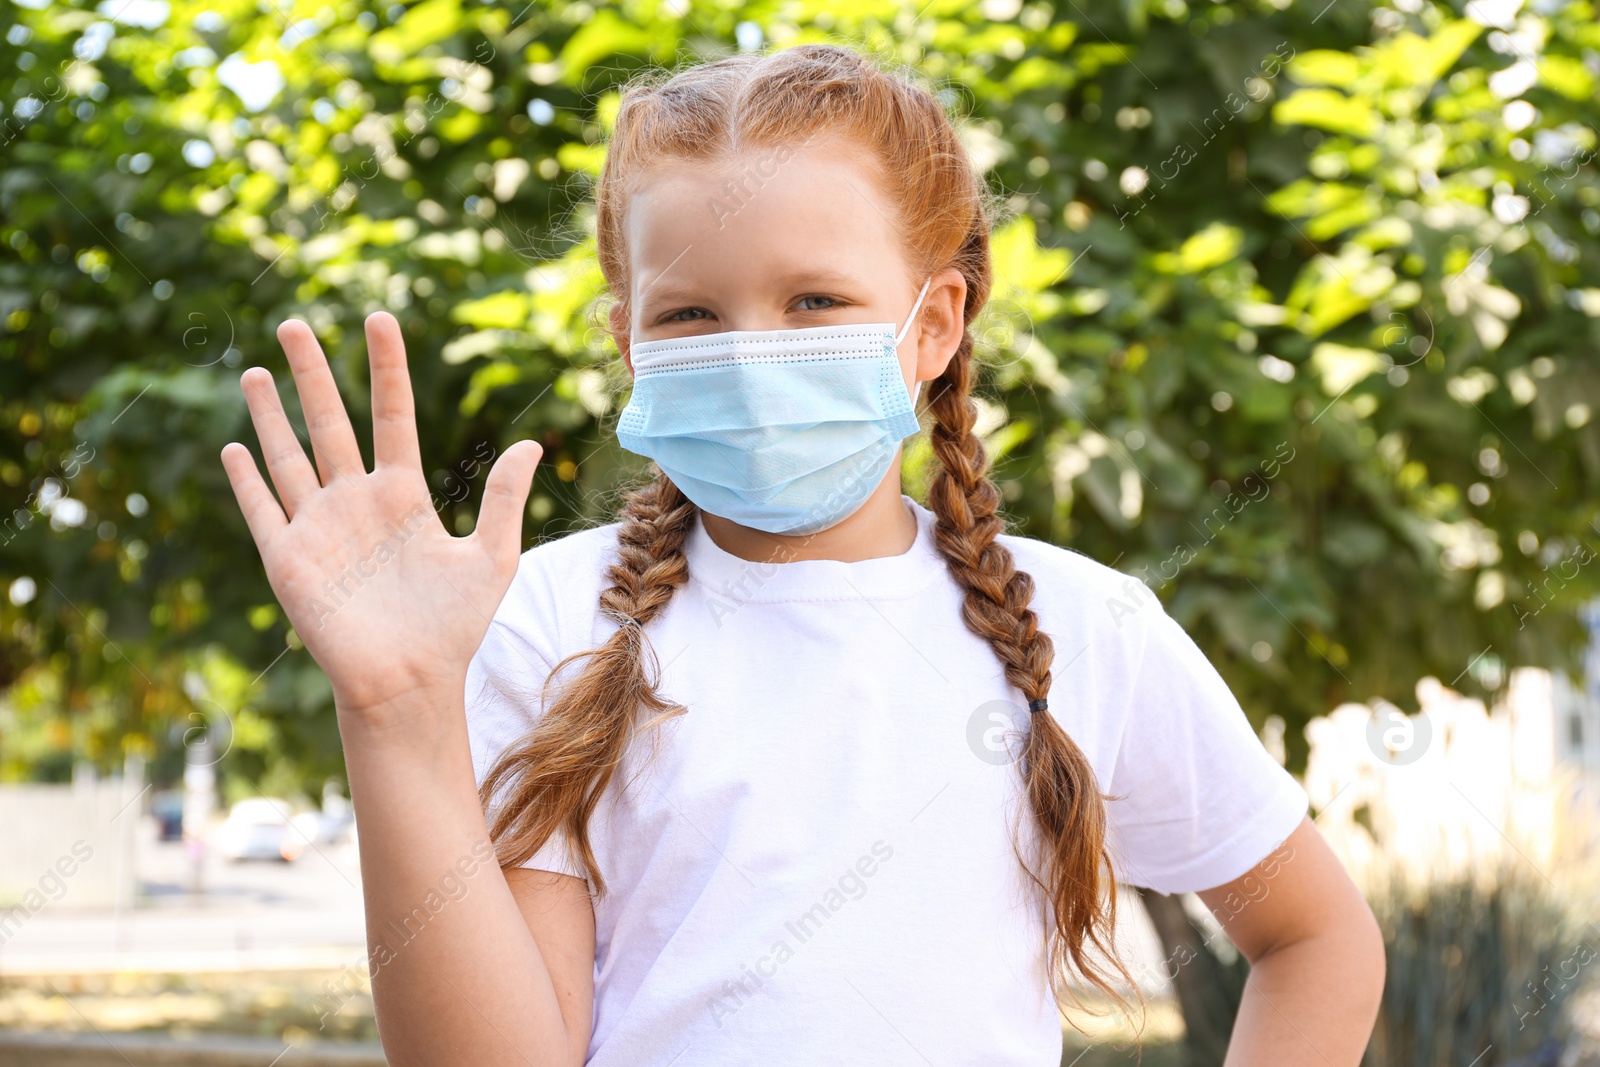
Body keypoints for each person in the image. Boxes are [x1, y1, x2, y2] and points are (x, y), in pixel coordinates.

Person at [220, 42, 1384, 1067]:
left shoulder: (1087, 625)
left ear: (931, 326)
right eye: (689, 315)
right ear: (626, 335)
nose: (748, 351)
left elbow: (1316, 936)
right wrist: (396, 710)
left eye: (815, 299)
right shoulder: (538, 618)